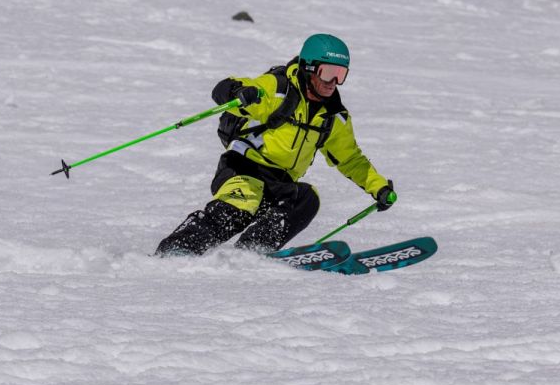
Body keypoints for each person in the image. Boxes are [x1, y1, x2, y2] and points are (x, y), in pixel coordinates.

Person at [155, 33, 395, 256]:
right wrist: (239, 92)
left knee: (307, 199)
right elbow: (224, 88)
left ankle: (250, 254)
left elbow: (351, 159)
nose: (333, 82)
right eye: (327, 72)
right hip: (243, 167)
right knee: (241, 204)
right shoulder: (278, 90)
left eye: (341, 74)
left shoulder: (333, 117)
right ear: (309, 68)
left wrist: (379, 187)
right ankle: (176, 251)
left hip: (280, 182)